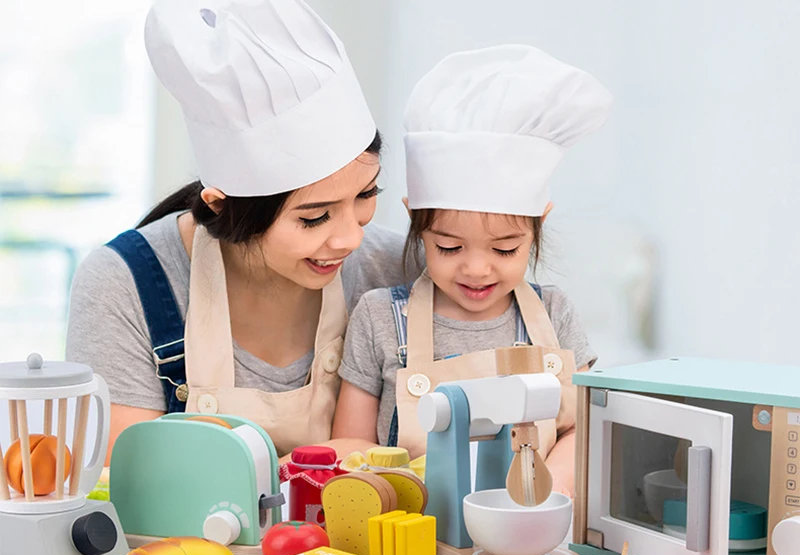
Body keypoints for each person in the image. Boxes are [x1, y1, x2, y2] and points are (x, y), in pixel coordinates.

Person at [66, 0, 418, 464]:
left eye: (366, 194)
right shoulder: (122, 285)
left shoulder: (399, 271)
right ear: (222, 205)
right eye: (314, 217)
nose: (351, 238)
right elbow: (130, 480)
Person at [331, 45, 612, 496]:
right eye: (449, 246)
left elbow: (584, 429)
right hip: (414, 524)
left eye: (504, 249)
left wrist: (547, 494)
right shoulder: (380, 317)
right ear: (416, 221)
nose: (477, 269)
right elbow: (351, 447)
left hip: (530, 521)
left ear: (538, 224)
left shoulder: (554, 314)